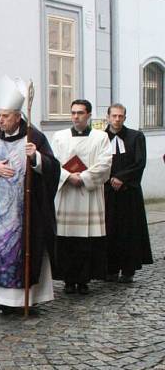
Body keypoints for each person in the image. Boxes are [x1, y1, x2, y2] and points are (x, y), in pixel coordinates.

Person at [0, 76, 60, 315]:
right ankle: (3, 301)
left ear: (18, 117)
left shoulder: (35, 138)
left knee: (26, 253)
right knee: (0, 253)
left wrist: (37, 159)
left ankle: (26, 300)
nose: (0, 120)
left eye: (5, 116)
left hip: (26, 213)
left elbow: (53, 168)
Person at [51, 99, 112, 294]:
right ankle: (68, 280)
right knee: (66, 241)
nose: (76, 116)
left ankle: (84, 280)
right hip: (66, 195)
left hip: (89, 196)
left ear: (89, 115)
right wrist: (68, 176)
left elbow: (105, 165)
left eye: (80, 113)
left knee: (86, 242)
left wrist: (84, 177)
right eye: (73, 113)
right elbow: (52, 163)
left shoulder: (100, 137)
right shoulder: (59, 137)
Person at [104, 104, 153, 282]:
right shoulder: (101, 138)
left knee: (129, 231)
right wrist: (110, 179)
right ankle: (110, 268)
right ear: (108, 117)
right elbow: (97, 162)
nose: (117, 119)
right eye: (114, 116)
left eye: (120, 116)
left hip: (129, 193)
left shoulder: (136, 136)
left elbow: (140, 162)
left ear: (125, 117)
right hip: (108, 191)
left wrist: (122, 178)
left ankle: (128, 270)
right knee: (109, 229)